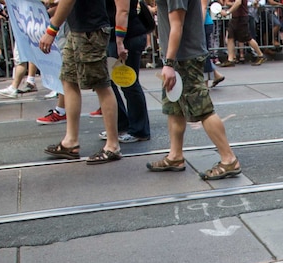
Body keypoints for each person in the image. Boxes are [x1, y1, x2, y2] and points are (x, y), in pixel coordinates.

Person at [147, 0, 243, 179]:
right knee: (174, 108)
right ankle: (175, 156)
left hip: (185, 57)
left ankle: (229, 159)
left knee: (203, 109)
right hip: (178, 56)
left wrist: (169, 63)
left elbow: (177, 23)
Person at [38, 0, 126, 164]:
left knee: (101, 85)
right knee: (68, 80)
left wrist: (52, 30)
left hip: (90, 31)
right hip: (79, 29)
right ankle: (71, 141)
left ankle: (113, 146)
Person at [101, 0, 151, 143]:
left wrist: (119, 42)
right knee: (111, 83)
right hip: (117, 36)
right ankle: (122, 124)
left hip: (127, 37)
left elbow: (123, 11)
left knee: (128, 83)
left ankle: (139, 129)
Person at [219, 0, 266, 66]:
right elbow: (229, 2)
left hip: (241, 17)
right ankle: (230, 60)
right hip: (234, 17)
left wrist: (227, 12)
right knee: (230, 37)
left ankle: (260, 55)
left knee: (247, 38)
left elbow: (238, 2)